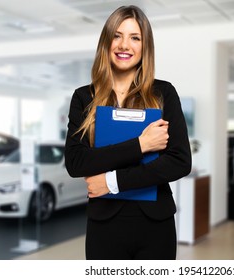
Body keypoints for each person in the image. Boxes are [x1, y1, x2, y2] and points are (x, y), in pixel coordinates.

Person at [64, 5, 191, 260]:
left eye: (135, 38)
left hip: (155, 224)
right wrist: (141, 145)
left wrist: (112, 182)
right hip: (104, 224)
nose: (125, 45)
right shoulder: (83, 97)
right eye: (117, 35)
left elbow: (179, 162)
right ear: (106, 42)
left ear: (145, 47)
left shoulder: (163, 94)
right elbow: (77, 162)